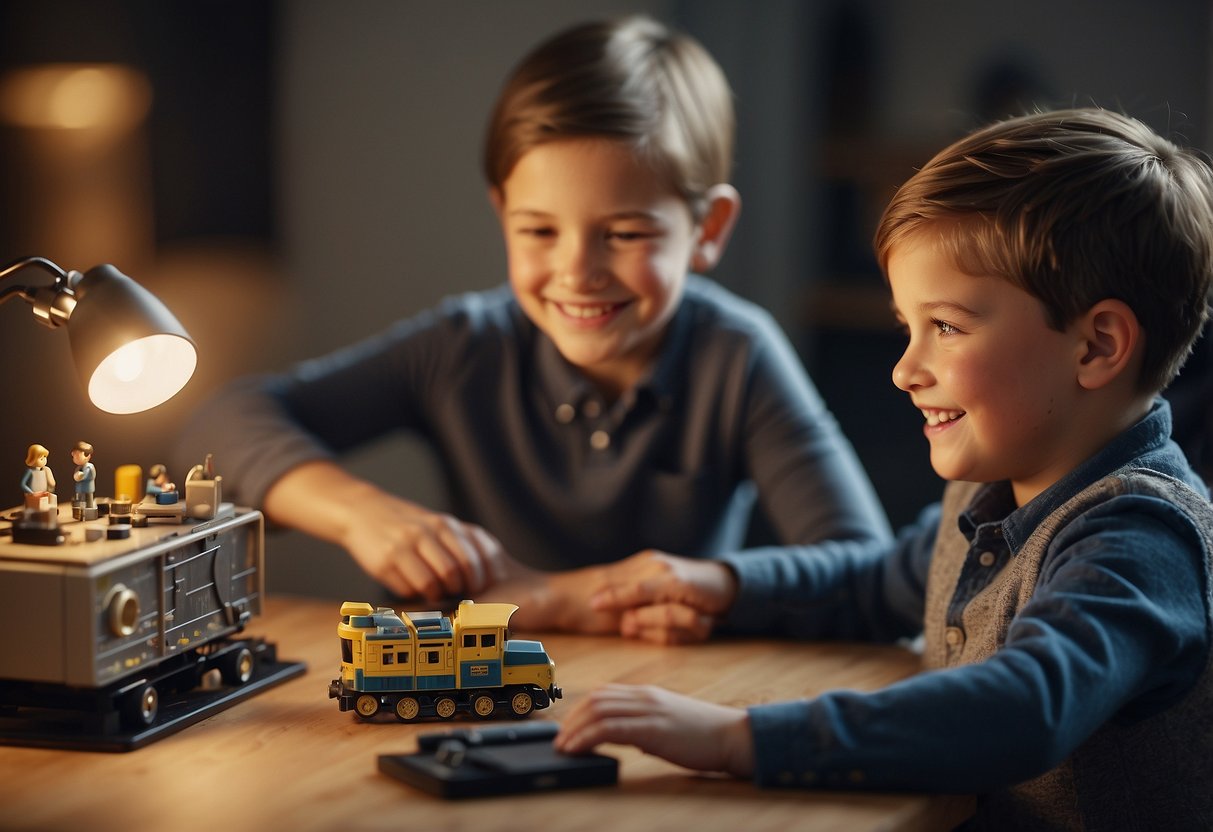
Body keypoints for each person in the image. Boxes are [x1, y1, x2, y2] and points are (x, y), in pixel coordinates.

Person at [556, 108, 1213, 829]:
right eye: (908, 328)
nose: (904, 370)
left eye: (947, 327)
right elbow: (881, 581)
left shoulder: (1140, 535)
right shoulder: (999, 485)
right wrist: (721, 587)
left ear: (1096, 346)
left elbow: (1025, 706)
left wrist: (738, 738)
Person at [171, 16, 890, 631]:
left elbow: (866, 574)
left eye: (626, 234)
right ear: (501, 214)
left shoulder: (737, 356)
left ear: (709, 228)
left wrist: (557, 598)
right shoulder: (463, 346)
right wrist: (360, 512)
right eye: (539, 231)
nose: (576, 271)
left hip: (671, 702)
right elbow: (220, 424)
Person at [20, 443, 56, 507]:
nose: (44, 460)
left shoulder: (45, 470)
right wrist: (31, 493)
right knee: (33, 508)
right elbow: (23, 484)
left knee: (43, 508)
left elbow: (51, 483)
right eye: (41, 458)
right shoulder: (30, 471)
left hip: (43, 495)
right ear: (32, 459)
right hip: (33, 497)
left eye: (45, 457)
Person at [70, 440, 96, 510]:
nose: (75, 457)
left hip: (88, 488)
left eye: (77, 455)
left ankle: (89, 511)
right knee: (81, 501)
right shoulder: (79, 467)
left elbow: (86, 475)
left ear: (87, 456)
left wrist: (80, 476)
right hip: (80, 488)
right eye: (74, 455)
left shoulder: (89, 467)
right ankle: (81, 512)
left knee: (89, 502)